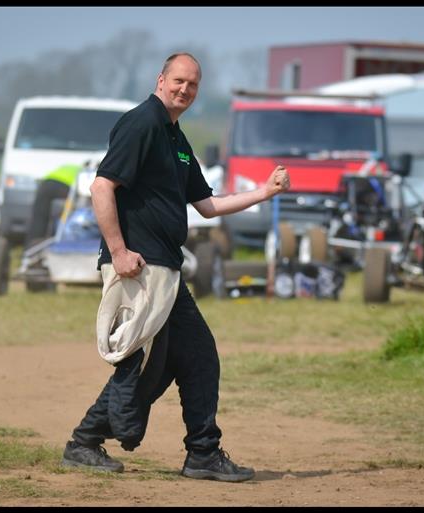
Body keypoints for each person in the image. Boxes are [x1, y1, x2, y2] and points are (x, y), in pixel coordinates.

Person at [61, 52, 290, 482]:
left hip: (167, 271)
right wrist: (119, 252)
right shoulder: (142, 123)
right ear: (161, 79)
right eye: (179, 81)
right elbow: (101, 186)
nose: (185, 90)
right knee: (146, 363)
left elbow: (207, 205)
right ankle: (88, 442)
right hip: (139, 268)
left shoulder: (176, 139)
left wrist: (264, 193)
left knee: (195, 357)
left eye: (194, 85)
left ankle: (197, 453)